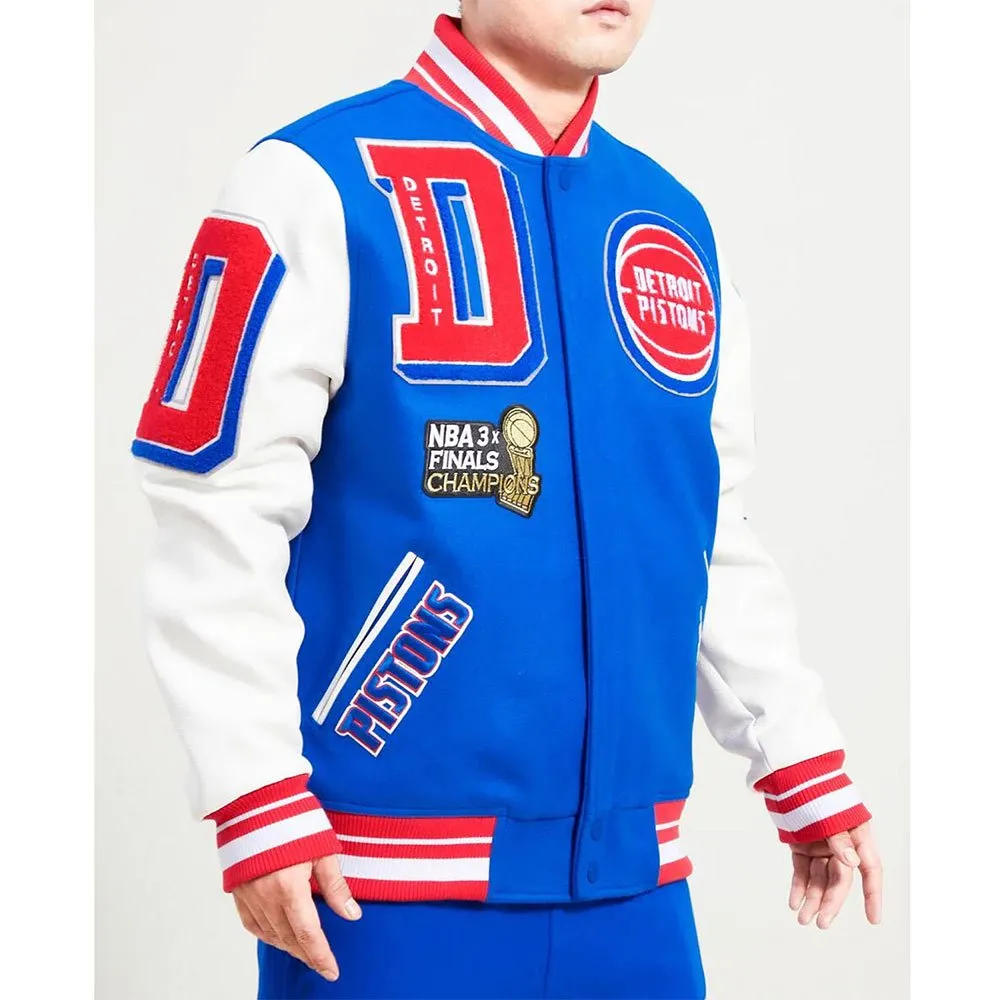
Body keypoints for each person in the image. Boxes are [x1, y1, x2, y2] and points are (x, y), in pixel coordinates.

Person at [131, 2, 883, 997]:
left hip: (638, 890)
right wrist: (253, 794)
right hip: (375, 891)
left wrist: (799, 756)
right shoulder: (309, 181)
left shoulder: (672, 221)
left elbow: (704, 524)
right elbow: (212, 502)